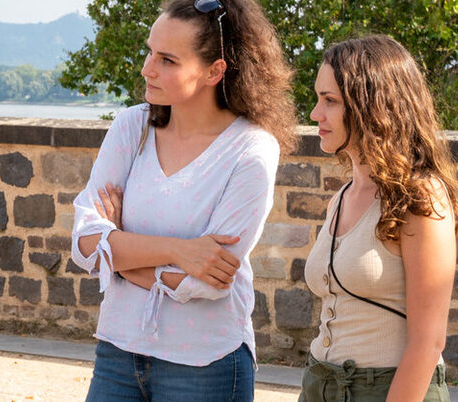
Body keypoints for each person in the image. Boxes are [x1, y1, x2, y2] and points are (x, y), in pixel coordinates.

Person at [68, 0, 297, 400]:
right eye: (149, 52)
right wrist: (179, 250)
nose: (147, 68)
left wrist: (120, 258)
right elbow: (84, 242)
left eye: (168, 60)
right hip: (117, 352)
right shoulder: (131, 126)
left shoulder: (251, 150)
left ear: (215, 71)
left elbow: (208, 282)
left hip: (206, 364)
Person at [297, 34, 458, 402]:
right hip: (319, 383)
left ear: (371, 107)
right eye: (317, 98)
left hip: (388, 390)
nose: (314, 114)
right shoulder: (340, 199)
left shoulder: (418, 196)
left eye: (329, 101)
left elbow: (429, 340)